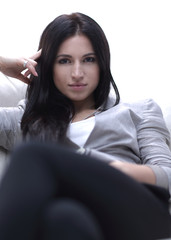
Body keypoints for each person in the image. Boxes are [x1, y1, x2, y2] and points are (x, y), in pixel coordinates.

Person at [0, 12, 171, 240]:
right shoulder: (28, 119)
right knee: (62, 217)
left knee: (31, 153)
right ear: (47, 66)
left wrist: (114, 169)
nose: (77, 73)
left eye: (89, 59)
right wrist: (2, 63)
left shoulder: (139, 110)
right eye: (65, 61)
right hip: (82, 219)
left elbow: (167, 174)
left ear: (102, 63)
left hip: (137, 210)